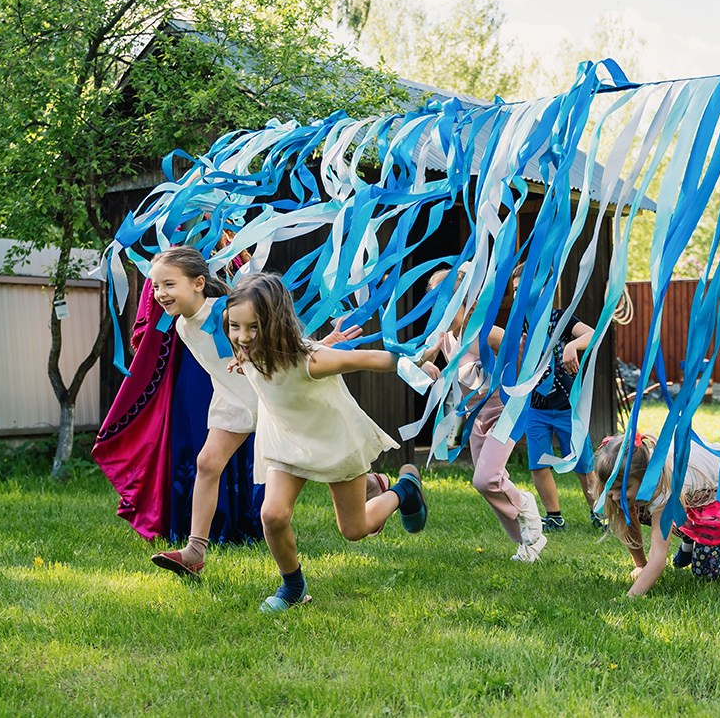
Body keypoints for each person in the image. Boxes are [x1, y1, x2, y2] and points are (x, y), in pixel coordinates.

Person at [144, 247, 385, 579]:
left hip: (269, 397)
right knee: (207, 463)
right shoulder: (184, 326)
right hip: (232, 397)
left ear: (198, 283)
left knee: (311, 458)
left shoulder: (225, 311)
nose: (160, 294)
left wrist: (319, 344)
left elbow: (276, 338)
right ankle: (195, 552)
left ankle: (370, 483)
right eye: (155, 287)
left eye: (168, 284)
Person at [225, 273, 431, 612]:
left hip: (332, 442)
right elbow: (250, 354)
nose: (243, 337)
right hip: (286, 441)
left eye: (253, 328)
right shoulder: (248, 351)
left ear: (274, 323)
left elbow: (367, 360)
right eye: (236, 326)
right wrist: (242, 356)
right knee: (273, 515)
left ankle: (404, 490)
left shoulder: (310, 361)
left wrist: (416, 363)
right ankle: (293, 587)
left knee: (355, 529)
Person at [420, 265, 547, 562]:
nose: (441, 315)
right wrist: (426, 364)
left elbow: (522, 352)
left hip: (506, 412)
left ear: (471, 305)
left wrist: (522, 354)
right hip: (479, 417)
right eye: (437, 308)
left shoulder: (484, 334)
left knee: (486, 478)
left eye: (448, 308)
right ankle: (527, 543)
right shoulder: (445, 337)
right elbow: (421, 359)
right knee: (487, 482)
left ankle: (526, 504)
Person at [594, 432, 720, 597]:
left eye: (622, 489)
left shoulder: (663, 488)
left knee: (706, 572)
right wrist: (641, 566)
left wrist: (631, 597)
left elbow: (658, 558)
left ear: (644, 477)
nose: (615, 496)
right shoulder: (639, 472)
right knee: (637, 507)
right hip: (695, 496)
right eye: (611, 489)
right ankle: (690, 539)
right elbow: (627, 517)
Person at [515, 266, 602, 532]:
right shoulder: (520, 327)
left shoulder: (561, 319)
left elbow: (593, 333)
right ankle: (554, 517)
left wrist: (572, 346)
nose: (519, 294)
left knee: (583, 465)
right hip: (536, 409)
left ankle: (599, 514)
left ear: (544, 291)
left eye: (524, 288)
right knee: (538, 465)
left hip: (567, 407)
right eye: (516, 290)